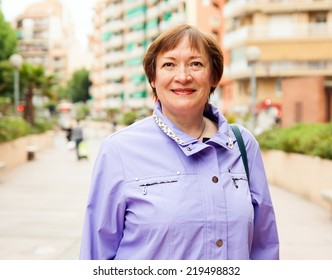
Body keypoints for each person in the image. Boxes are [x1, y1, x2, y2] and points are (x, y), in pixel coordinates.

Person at [80, 24, 279, 260]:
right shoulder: (118, 150)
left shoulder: (243, 145)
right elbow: (96, 255)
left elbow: (264, 249)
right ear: (153, 78)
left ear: (213, 76)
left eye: (196, 64)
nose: (183, 76)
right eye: (168, 64)